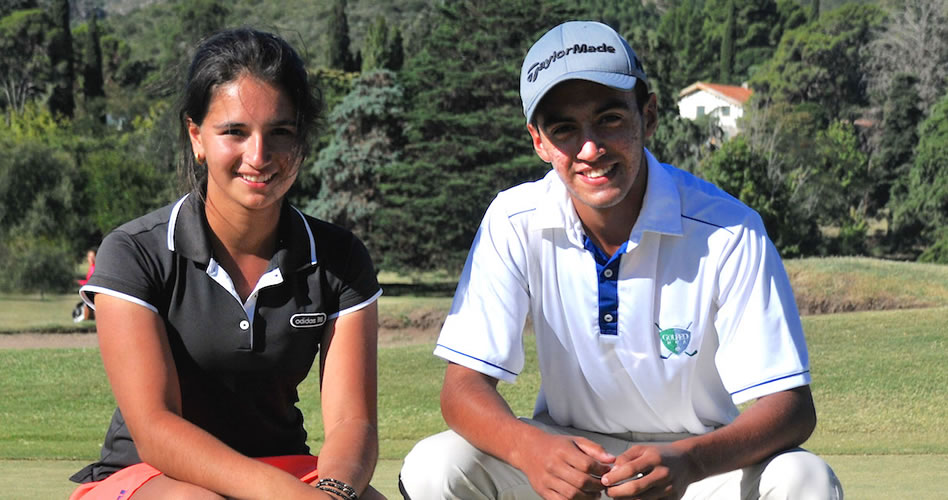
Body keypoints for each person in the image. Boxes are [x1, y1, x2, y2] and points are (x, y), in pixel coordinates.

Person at [399, 21, 842, 500]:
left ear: (647, 116)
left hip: (697, 469)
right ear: (539, 141)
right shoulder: (513, 219)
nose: (590, 149)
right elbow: (461, 387)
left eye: (610, 118)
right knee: (435, 466)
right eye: (564, 129)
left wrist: (691, 459)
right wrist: (530, 449)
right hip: (570, 461)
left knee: (805, 480)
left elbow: (791, 406)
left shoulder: (729, 229)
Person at [69, 28, 384, 500]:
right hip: (150, 474)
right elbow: (155, 428)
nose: (259, 156)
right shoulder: (135, 252)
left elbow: (351, 421)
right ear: (196, 137)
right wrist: (291, 498)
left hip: (288, 470)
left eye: (280, 132)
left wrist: (334, 493)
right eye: (234, 131)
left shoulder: (339, 257)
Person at [73, 249, 97, 322]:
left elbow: (91, 282)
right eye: (90, 257)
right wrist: (79, 282)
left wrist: (79, 282)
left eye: (93, 257)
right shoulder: (91, 268)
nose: (91, 259)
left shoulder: (94, 268)